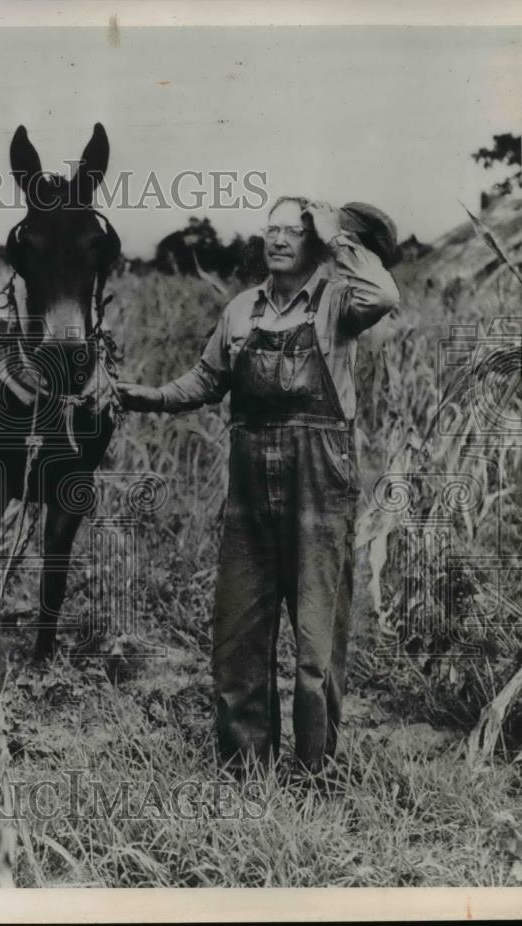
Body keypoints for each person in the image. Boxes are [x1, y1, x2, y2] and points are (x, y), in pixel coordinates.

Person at [118, 197, 400, 776]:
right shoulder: (241, 309)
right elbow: (204, 379)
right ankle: (247, 767)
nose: (276, 239)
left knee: (315, 639)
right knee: (238, 629)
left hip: (319, 482)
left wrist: (335, 237)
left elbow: (386, 296)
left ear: (314, 242)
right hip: (250, 485)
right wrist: (144, 396)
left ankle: (313, 767)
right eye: (270, 228)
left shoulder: (338, 302)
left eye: (293, 231)